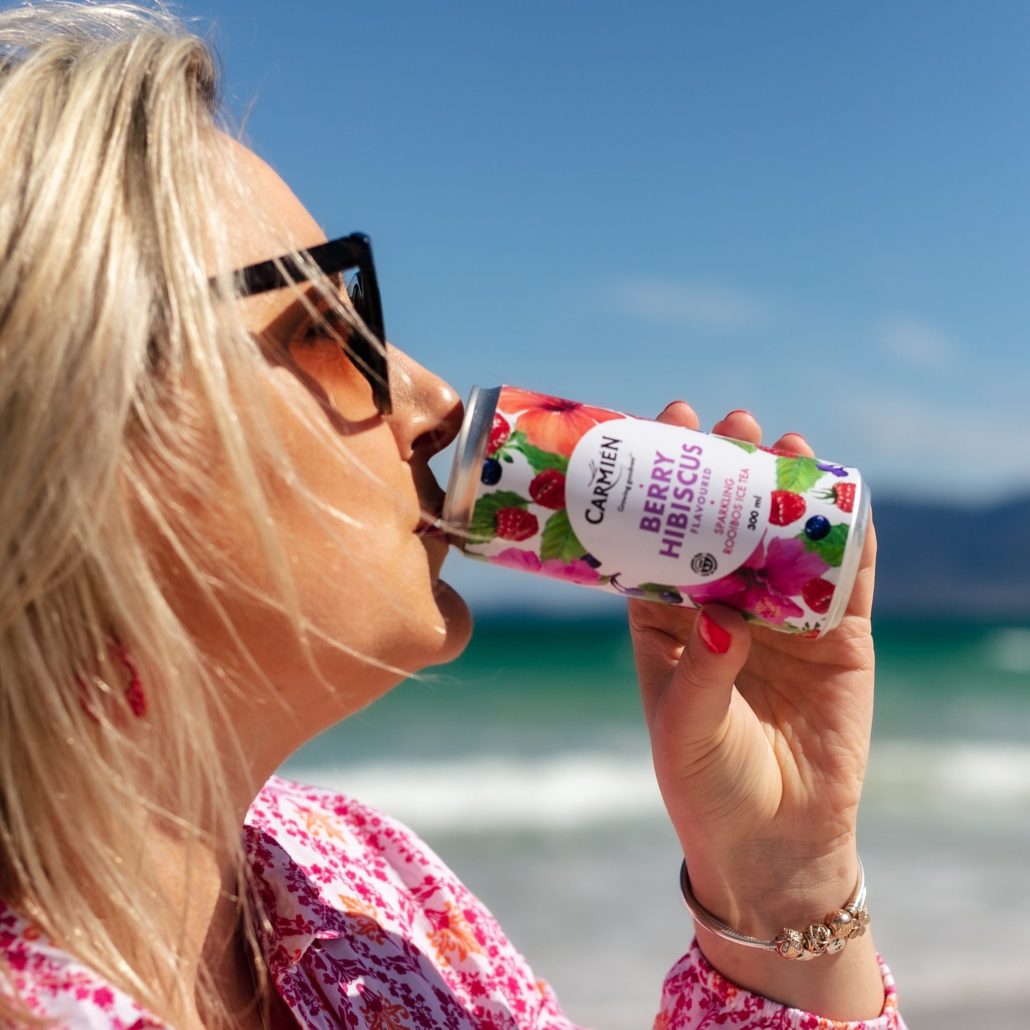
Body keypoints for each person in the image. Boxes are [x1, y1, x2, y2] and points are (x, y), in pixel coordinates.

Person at [0, 4, 905, 1028]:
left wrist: (779, 882)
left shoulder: (368, 885)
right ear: (66, 437)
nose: (433, 404)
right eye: (318, 328)